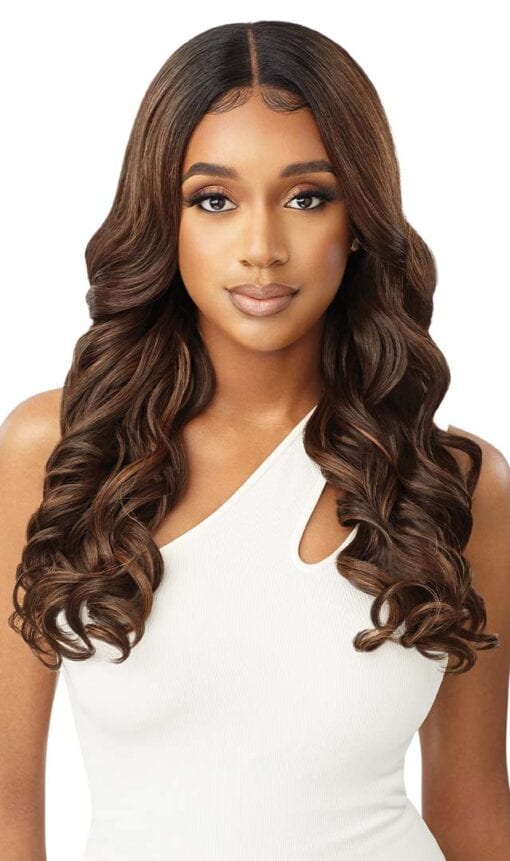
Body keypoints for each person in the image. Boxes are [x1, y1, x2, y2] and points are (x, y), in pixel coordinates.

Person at [1, 19, 509, 861]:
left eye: (308, 197)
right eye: (215, 200)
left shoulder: (450, 480)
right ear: (163, 217)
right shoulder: (59, 449)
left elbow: (473, 813)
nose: (262, 249)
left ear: (359, 217)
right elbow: (8, 813)